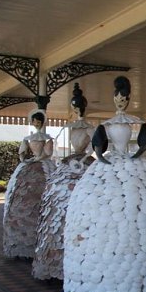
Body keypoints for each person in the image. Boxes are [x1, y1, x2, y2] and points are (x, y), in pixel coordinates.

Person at [63, 76, 146, 292]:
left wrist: (137, 154)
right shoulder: (106, 124)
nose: (121, 101)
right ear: (114, 99)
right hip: (110, 164)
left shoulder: (137, 122)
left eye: (124, 98)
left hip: (133, 165)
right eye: (118, 98)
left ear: (128, 99)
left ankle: (142, 277)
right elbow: (99, 143)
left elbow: (144, 141)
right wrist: (100, 155)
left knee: (142, 211)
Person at [32, 83, 95, 280]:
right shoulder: (69, 126)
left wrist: (85, 159)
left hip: (84, 162)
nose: (76, 110)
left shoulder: (89, 127)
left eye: (78, 107)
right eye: (74, 107)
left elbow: (94, 147)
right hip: (69, 162)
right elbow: (56, 146)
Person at [3, 109, 56, 258]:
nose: (37, 124)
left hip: (43, 164)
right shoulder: (28, 138)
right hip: (30, 164)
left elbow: (48, 153)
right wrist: (25, 160)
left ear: (42, 122)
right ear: (32, 122)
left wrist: (39, 158)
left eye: (39, 122)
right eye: (35, 121)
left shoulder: (47, 138)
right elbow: (22, 152)